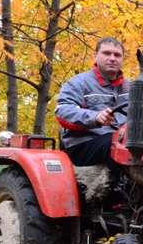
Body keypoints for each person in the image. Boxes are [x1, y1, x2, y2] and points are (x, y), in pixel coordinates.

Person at [55, 38, 129, 167]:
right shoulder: (78, 83)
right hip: (83, 145)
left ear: (122, 59)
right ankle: (126, 187)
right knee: (115, 143)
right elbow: (63, 112)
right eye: (106, 53)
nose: (112, 58)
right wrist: (95, 117)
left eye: (117, 55)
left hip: (122, 140)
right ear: (95, 56)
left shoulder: (132, 88)